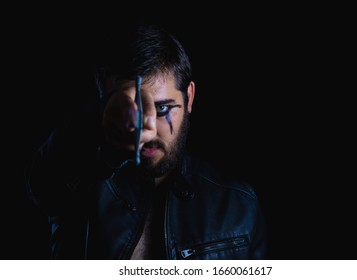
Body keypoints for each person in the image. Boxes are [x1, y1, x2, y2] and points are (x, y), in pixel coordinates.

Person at [25, 24, 267, 259]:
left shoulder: (238, 204)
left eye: (162, 108)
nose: (147, 132)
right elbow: (45, 179)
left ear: (189, 97)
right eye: (131, 110)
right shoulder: (78, 186)